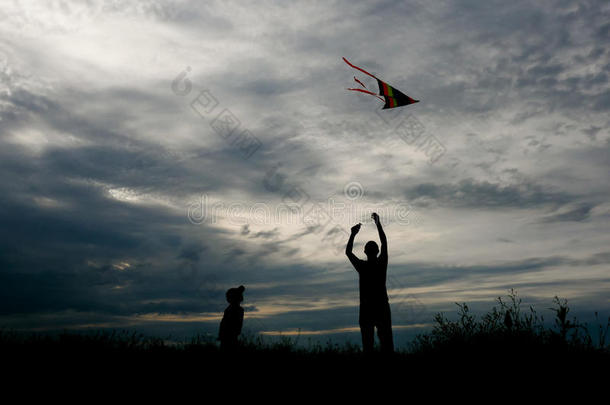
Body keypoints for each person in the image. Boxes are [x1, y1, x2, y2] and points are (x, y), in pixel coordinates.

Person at [346, 213, 394, 354]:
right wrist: (378, 224)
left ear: (365, 251)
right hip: (381, 307)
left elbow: (348, 252)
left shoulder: (363, 266)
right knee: (387, 345)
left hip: (367, 308)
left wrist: (353, 234)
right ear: (377, 251)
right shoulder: (380, 263)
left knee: (368, 346)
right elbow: (384, 242)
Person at [218, 285, 245, 351]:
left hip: (230, 336)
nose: (228, 299)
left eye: (229, 297)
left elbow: (237, 324)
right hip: (227, 335)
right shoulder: (229, 309)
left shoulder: (236, 310)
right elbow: (224, 322)